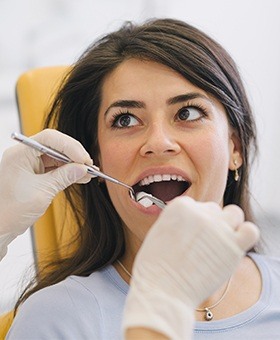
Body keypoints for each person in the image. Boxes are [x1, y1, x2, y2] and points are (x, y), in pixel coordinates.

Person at [1, 17, 279, 338]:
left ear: (235, 148)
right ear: (97, 160)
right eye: (125, 119)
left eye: (187, 113)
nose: (159, 142)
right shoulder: (56, 318)